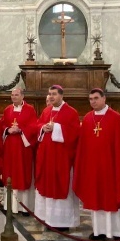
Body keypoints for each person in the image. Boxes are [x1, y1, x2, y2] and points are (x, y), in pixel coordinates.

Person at [73, 88, 120, 241]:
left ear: (104, 99)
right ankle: (99, 231)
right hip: (93, 168)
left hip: (112, 168)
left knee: (112, 197)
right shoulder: (88, 119)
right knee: (96, 197)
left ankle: (117, 232)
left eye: (95, 98)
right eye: (90, 99)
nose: (93, 101)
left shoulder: (115, 118)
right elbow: (83, 146)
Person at [34, 85, 81, 229]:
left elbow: (74, 134)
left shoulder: (71, 112)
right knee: (46, 185)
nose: (51, 97)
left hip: (62, 158)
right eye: (50, 94)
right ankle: (46, 218)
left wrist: (57, 128)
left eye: (54, 94)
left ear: (61, 95)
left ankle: (62, 222)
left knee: (59, 186)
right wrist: (43, 128)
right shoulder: (47, 110)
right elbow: (38, 125)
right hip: (46, 157)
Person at [1, 88, 38, 214]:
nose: (14, 97)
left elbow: (34, 126)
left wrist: (21, 130)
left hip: (23, 148)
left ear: (22, 96)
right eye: (12, 95)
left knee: (23, 173)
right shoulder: (7, 110)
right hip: (10, 148)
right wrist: (7, 130)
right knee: (10, 174)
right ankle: (10, 206)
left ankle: (24, 207)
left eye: (16, 95)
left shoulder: (30, 109)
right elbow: (2, 125)